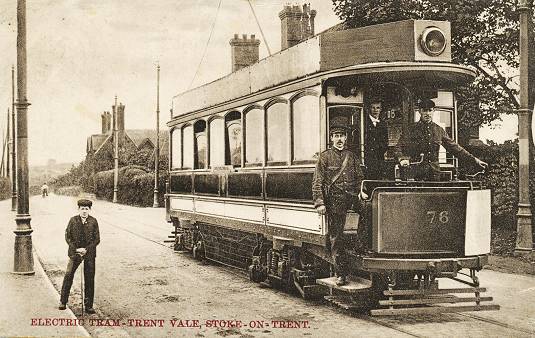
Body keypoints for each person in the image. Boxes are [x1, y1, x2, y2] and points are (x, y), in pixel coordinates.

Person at [312, 119, 364, 286]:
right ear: (331, 138)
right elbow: (317, 182)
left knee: (370, 211)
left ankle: (361, 245)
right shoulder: (325, 157)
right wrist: (320, 202)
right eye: (336, 136)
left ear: (346, 137)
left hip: (352, 198)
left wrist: (361, 193)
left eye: (342, 135)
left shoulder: (352, 157)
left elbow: (359, 179)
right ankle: (341, 273)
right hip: (335, 201)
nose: (339, 139)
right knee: (337, 237)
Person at [394, 99, 487, 180]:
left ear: (433, 111)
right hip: (416, 174)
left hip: (434, 175)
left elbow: (455, 148)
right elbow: (398, 147)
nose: (427, 113)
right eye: (424, 111)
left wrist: (475, 160)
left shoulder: (439, 130)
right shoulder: (411, 129)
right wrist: (402, 159)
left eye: (430, 110)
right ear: (419, 111)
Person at [59, 199, 100, 314]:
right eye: (82, 209)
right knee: (68, 274)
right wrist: (76, 249)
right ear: (78, 209)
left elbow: (97, 239)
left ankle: (89, 306)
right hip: (75, 252)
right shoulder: (73, 220)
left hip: (89, 253)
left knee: (89, 278)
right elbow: (68, 236)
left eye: (86, 209)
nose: (84, 211)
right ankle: (63, 301)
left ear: (90, 210)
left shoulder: (93, 221)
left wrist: (86, 250)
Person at [364, 100, 389, 179]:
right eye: (373, 108)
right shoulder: (364, 122)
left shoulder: (383, 124)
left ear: (380, 109)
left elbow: (385, 142)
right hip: (366, 158)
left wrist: (380, 149)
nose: (375, 110)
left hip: (379, 159)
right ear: (369, 109)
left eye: (378, 108)